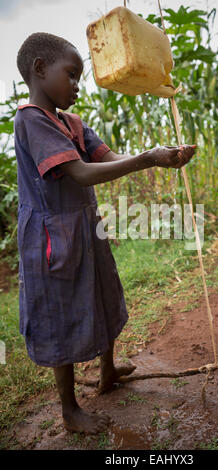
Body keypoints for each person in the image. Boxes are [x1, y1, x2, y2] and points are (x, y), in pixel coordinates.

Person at [14, 32, 196, 434]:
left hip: (83, 226)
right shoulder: (30, 119)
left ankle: (108, 369)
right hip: (51, 234)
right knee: (60, 312)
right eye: (72, 75)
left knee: (102, 292)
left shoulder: (72, 122)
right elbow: (79, 173)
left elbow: (108, 158)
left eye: (80, 77)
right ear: (40, 70)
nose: (78, 85)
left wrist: (158, 156)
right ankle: (69, 409)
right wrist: (147, 159)